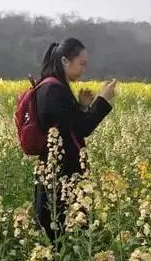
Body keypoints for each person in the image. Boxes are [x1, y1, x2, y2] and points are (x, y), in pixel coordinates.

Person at [33, 38, 116, 244]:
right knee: (62, 236)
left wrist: (82, 106)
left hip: (56, 172)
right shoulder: (54, 89)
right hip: (61, 174)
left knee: (62, 233)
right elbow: (81, 129)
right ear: (64, 61)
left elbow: (67, 126)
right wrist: (102, 100)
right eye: (82, 63)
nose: (84, 69)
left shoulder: (52, 86)